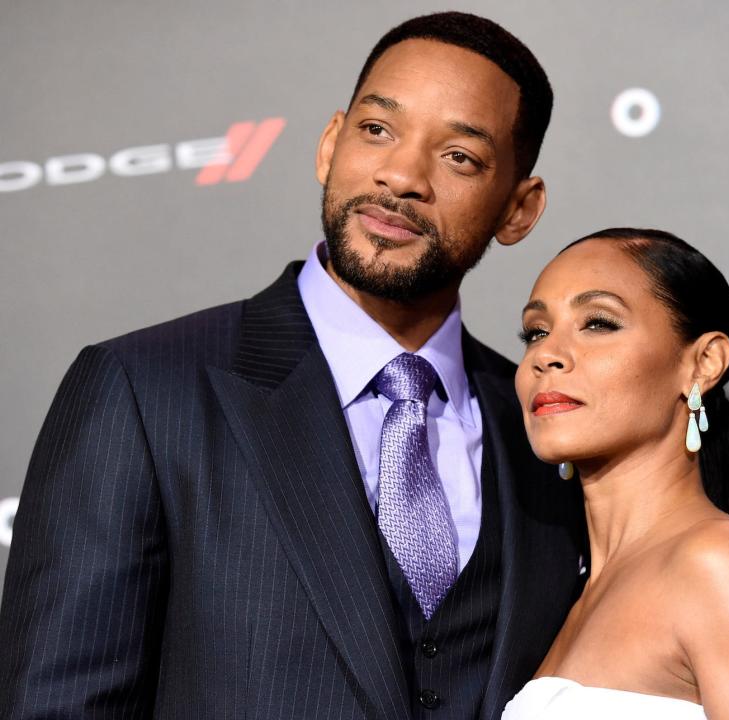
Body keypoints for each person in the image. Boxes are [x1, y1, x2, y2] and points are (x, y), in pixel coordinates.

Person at [0, 13, 585, 719]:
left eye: (459, 156)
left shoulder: (544, 426)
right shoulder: (143, 390)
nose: (400, 176)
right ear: (330, 143)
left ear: (519, 210)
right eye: (377, 131)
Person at [504, 229, 729, 719]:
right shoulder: (563, 594)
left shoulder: (722, 568)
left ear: (703, 363)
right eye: (536, 332)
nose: (545, 355)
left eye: (598, 323)